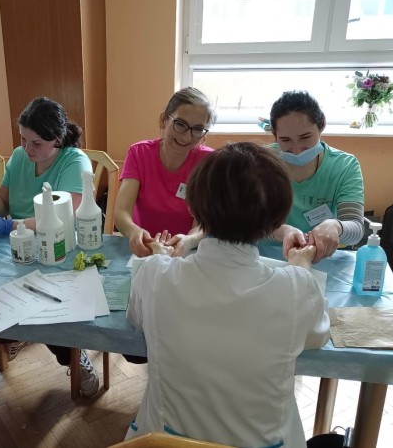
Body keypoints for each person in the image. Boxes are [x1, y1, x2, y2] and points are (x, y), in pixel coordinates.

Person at [125, 142, 330, 447]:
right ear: (277, 221)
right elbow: (317, 336)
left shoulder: (155, 275)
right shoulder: (297, 287)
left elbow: (137, 318)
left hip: (163, 441)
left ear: (193, 209)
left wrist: (160, 258)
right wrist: (301, 266)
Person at [0, 97, 99, 397]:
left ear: (57, 138)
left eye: (36, 143)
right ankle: (13, 335)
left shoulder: (73, 161)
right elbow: (3, 202)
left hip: (60, 247)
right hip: (18, 242)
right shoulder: (18, 157)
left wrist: (11, 225)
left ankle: (74, 356)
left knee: (52, 310)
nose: (27, 149)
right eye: (23, 139)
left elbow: (62, 216)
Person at [115, 87, 215, 258]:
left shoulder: (208, 161)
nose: (187, 137)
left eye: (198, 129)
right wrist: (133, 232)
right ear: (164, 120)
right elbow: (122, 211)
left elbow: (203, 221)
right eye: (180, 124)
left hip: (188, 252)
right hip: (145, 248)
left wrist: (189, 240)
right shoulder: (139, 153)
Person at [268, 90, 365, 263]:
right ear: (275, 136)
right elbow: (243, 223)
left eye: (305, 137)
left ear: (321, 126)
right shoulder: (261, 162)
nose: (297, 149)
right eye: (285, 140)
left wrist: (336, 226)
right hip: (266, 256)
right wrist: (282, 232)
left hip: (320, 258)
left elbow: (356, 229)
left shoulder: (344, 166)